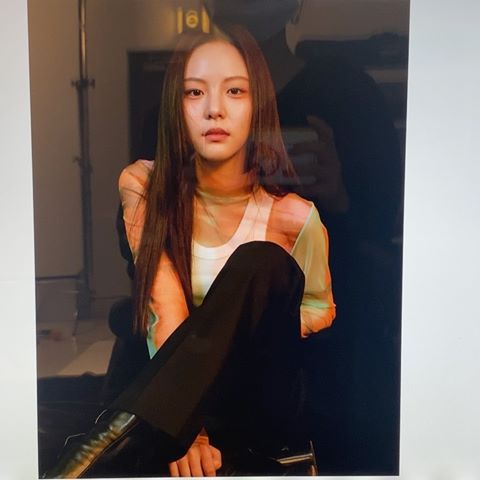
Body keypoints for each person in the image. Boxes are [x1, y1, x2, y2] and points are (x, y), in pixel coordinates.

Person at [43, 25, 335, 478]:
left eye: (234, 91)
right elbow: (163, 303)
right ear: (176, 108)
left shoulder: (294, 216)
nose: (214, 109)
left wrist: (241, 323)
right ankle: (103, 452)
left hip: (252, 399)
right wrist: (186, 430)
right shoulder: (144, 184)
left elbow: (321, 307)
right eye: (195, 92)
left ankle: (100, 451)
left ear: (257, 103)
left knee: (260, 263)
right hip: (169, 394)